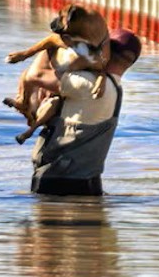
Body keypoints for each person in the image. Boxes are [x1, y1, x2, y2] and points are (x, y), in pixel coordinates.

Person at [30, 28, 142, 196]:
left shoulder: (89, 84)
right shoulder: (114, 88)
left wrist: (53, 42)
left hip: (60, 185)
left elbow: (36, 74)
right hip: (86, 184)